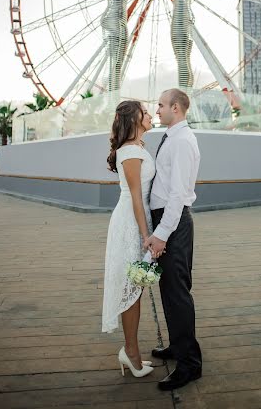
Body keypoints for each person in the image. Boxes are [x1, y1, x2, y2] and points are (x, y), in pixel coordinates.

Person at [145, 88, 202, 391]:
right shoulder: (172, 137)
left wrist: (161, 234)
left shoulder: (181, 141)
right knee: (169, 289)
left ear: (176, 108)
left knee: (178, 291)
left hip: (173, 223)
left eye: (161, 105)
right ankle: (178, 346)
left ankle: (189, 364)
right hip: (168, 221)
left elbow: (178, 195)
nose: (157, 110)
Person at [102, 100, 155, 378]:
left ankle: (131, 350)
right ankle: (130, 352)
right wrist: (145, 234)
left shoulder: (138, 147)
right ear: (134, 119)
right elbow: (135, 195)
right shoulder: (131, 151)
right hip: (130, 222)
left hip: (137, 218)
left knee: (136, 287)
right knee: (131, 289)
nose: (150, 115)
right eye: (145, 112)